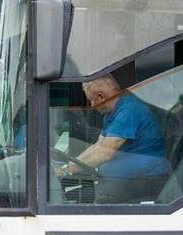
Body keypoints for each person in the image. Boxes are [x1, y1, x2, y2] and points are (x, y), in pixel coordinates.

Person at [69, 75, 169, 203]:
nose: (92, 105)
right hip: (129, 179)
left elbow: (104, 153)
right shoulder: (111, 113)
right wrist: (72, 164)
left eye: (91, 100)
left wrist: (70, 168)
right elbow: (98, 146)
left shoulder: (128, 110)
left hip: (146, 180)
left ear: (101, 96)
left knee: (99, 202)